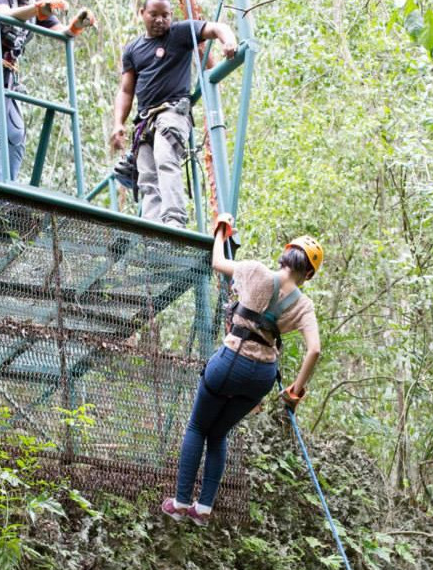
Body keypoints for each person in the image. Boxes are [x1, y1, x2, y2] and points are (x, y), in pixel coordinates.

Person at [161, 215, 323, 526]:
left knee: (198, 428)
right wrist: (294, 392)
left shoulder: (255, 271)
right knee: (218, 433)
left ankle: (181, 503)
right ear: (309, 274)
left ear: (285, 255)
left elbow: (218, 261)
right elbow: (314, 349)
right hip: (261, 377)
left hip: (230, 362)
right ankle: (203, 509)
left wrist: (221, 230)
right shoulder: (304, 306)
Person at [110, 0, 237, 228]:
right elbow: (126, 90)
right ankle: (152, 229)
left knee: (165, 156)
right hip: (145, 121)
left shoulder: (179, 33)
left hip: (172, 112)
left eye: (165, 15)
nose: (160, 20)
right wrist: (118, 123)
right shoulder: (133, 49)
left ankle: (174, 221)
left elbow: (216, 27)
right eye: (154, 15)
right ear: (142, 13)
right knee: (147, 177)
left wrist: (229, 41)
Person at [0, 1, 95, 182]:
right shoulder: (20, 5)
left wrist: (76, 26)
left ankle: (9, 197)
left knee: (15, 136)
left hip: (5, 77)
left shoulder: (30, 5)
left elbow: (61, 32)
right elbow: (1, 14)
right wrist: (38, 9)